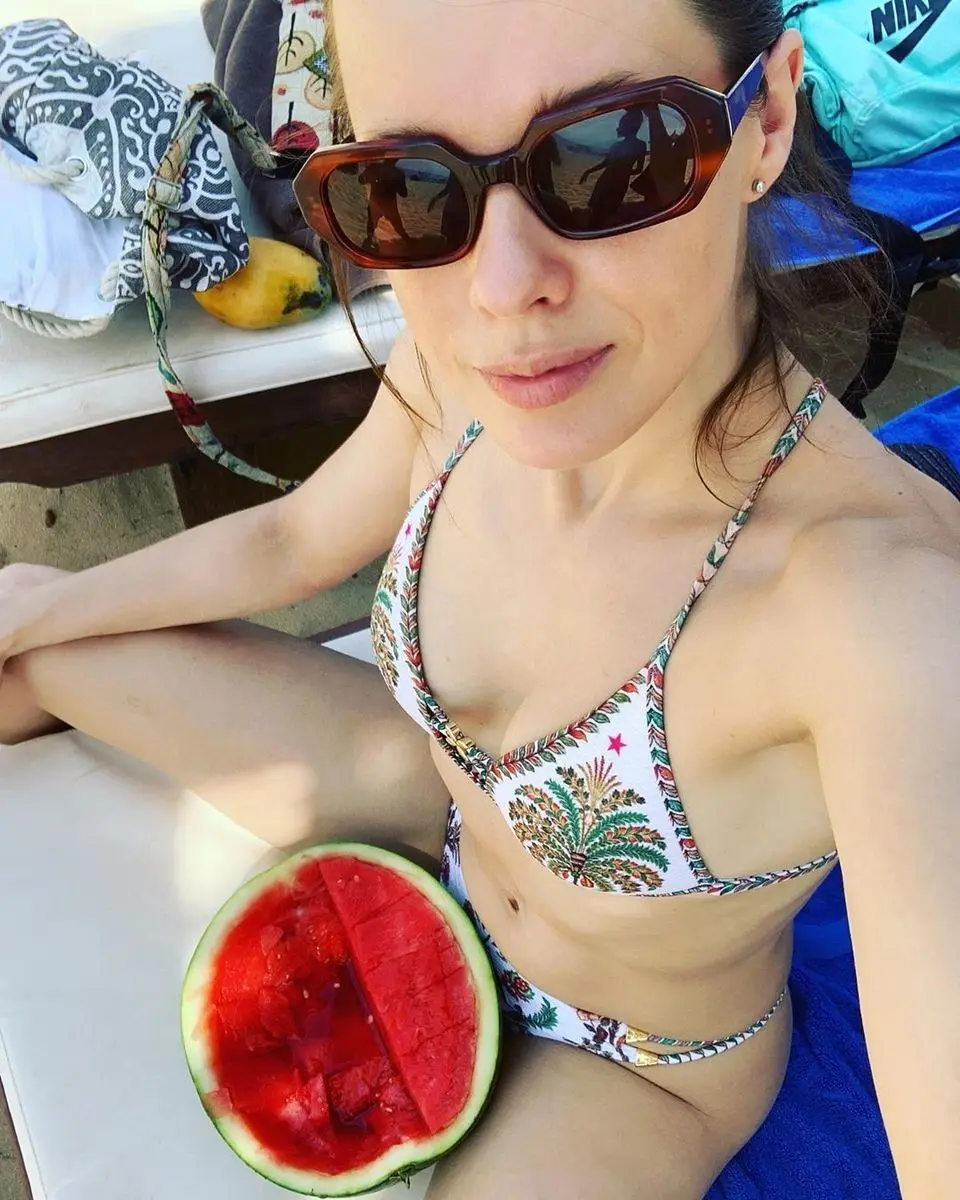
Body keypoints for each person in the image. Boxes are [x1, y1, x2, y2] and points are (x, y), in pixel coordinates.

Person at [1, 1, 959, 1196]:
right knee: (27, 643)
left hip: (643, 1062)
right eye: (408, 184)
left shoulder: (880, 610)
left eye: (612, 156)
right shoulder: (460, 363)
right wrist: (35, 617)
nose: (503, 290)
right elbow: (295, 537)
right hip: (439, 813)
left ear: (764, 115)